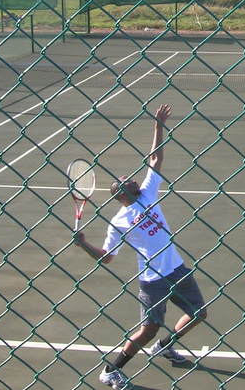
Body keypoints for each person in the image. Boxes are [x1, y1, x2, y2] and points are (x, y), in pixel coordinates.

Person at [75, 104, 207, 390]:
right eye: (125, 181)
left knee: (198, 313)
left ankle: (165, 346)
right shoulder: (119, 221)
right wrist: (85, 244)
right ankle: (111, 370)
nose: (132, 178)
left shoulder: (148, 193)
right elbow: (108, 258)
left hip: (176, 268)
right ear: (121, 194)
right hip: (152, 280)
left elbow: (155, 158)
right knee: (148, 328)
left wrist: (158, 126)